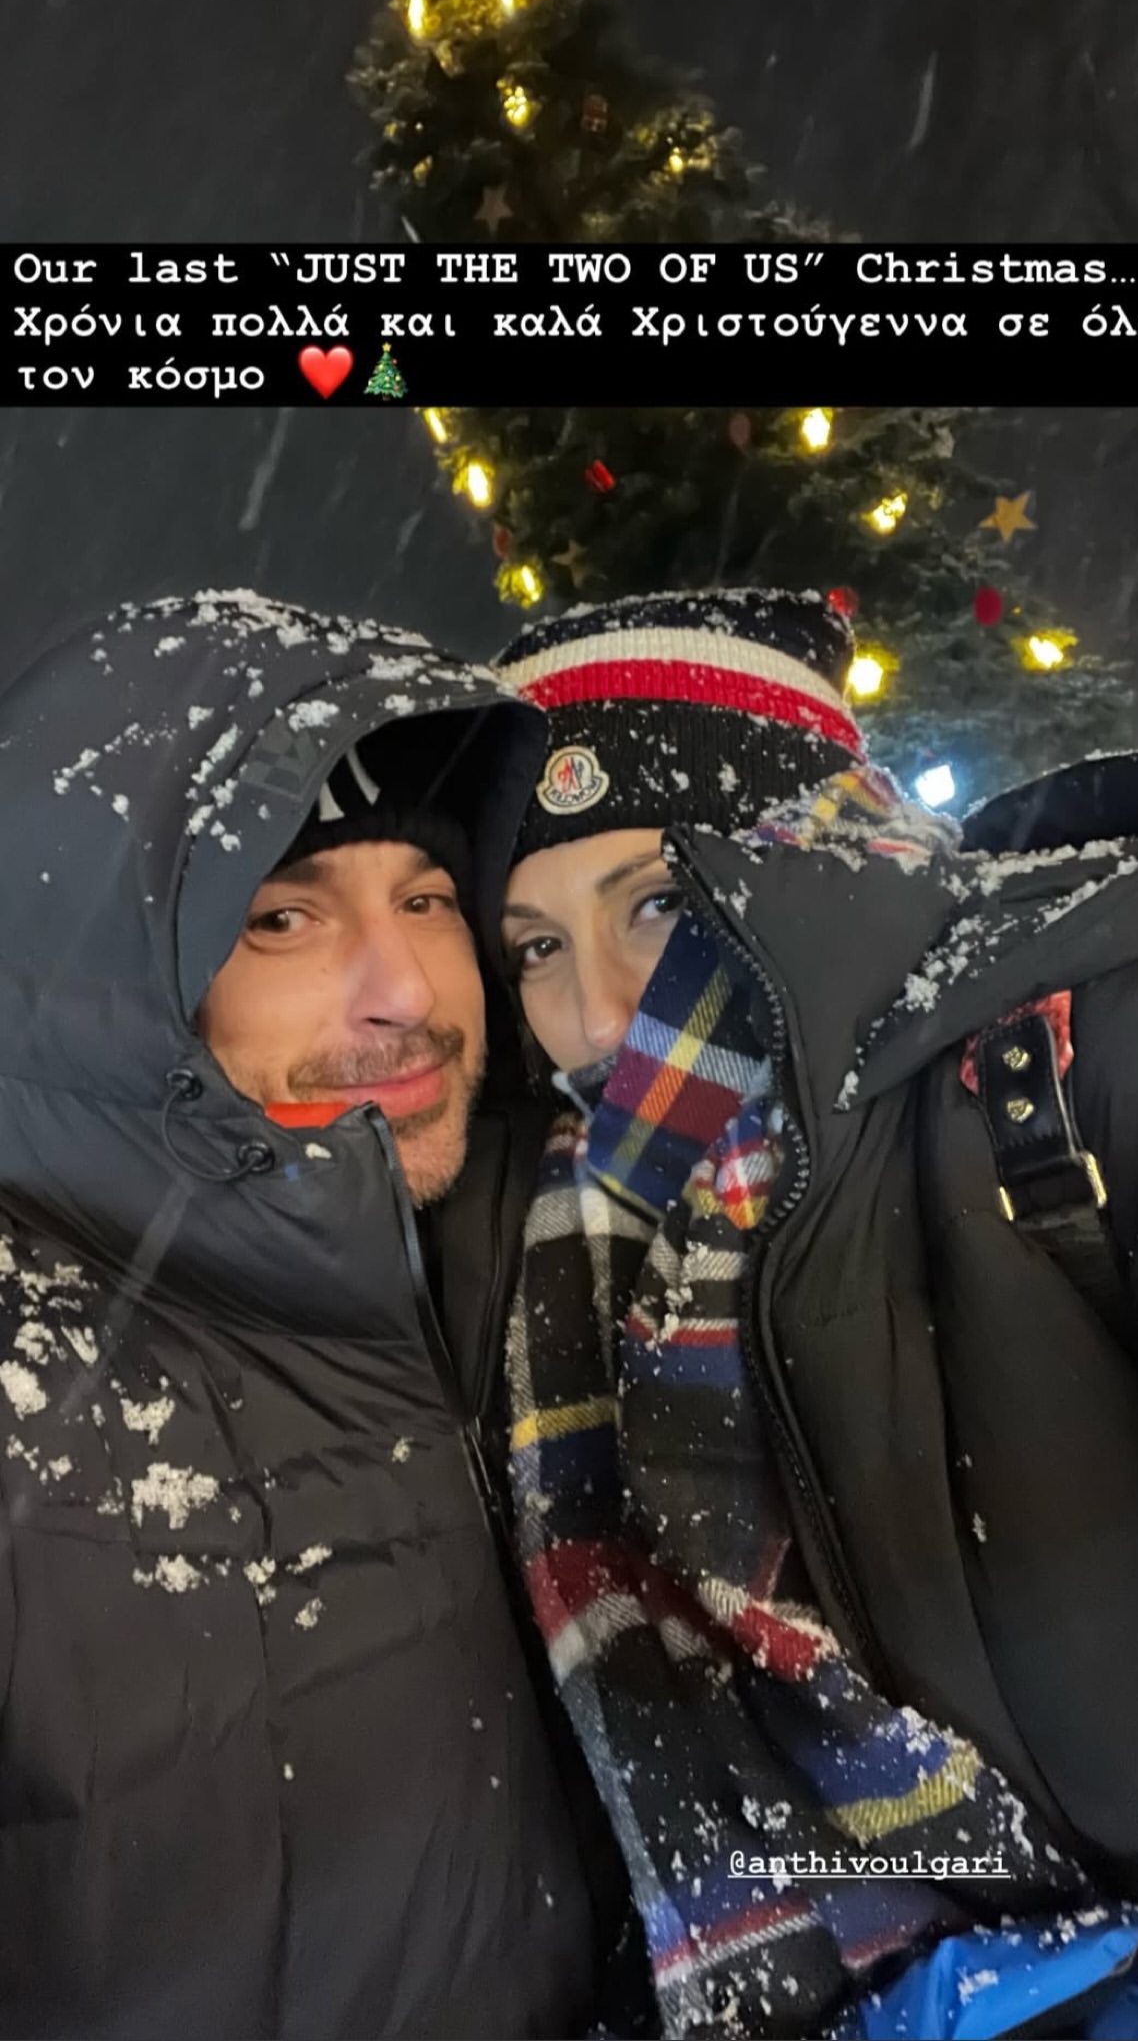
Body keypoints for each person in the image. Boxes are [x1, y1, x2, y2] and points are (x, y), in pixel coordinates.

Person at [493, 588, 1138, 2038]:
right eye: (535, 947)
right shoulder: (564, 1232)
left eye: (657, 902)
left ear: (809, 857)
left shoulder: (1096, 1048)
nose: (598, 1019)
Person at [0, 589, 647, 2041]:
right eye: (281, 917)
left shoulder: (544, 1238)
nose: (407, 992)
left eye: (429, 899)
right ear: (107, 976)